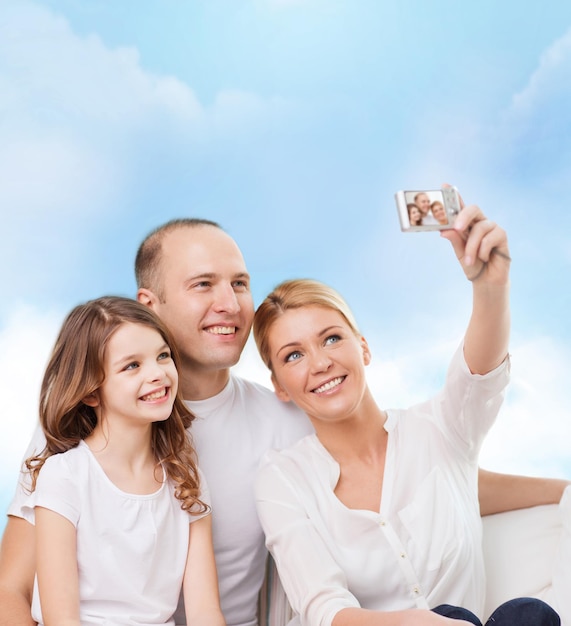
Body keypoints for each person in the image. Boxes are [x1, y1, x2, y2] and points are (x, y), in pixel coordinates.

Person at [1, 217, 569, 626]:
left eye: (240, 283)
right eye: (203, 285)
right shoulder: (78, 435)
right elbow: (10, 594)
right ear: (149, 304)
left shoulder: (287, 418)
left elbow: (427, 476)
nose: (229, 301)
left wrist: (560, 490)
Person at [252, 203, 561, 626]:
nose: (319, 363)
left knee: (527, 616)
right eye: (293, 355)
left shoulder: (438, 430)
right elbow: (324, 608)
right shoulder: (283, 479)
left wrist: (491, 286)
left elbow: (479, 375)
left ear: (363, 347)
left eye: (331, 338)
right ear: (279, 387)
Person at [21, 296, 224, 626]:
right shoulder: (65, 477)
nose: (157, 373)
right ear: (90, 392)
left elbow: (205, 612)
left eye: (163, 356)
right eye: (132, 365)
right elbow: (62, 620)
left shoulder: (187, 479)